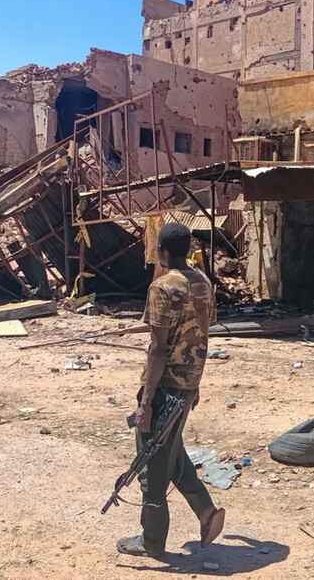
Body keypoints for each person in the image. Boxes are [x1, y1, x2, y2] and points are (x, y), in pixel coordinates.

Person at [116, 222, 225, 557]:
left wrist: (146, 402)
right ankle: (206, 512)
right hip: (188, 385)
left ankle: (151, 541)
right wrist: (195, 384)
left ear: (161, 250)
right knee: (171, 451)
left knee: (151, 464)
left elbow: (157, 349)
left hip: (165, 387)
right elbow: (202, 335)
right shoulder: (203, 282)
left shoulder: (163, 287)